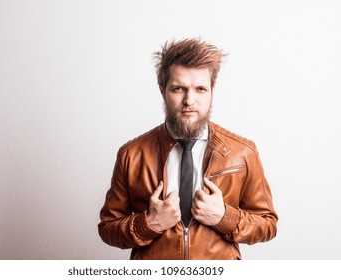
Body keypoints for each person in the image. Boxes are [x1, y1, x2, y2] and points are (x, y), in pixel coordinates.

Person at [98, 38, 278, 260]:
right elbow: (108, 228)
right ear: (162, 90)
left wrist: (224, 217)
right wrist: (149, 224)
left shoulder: (242, 152)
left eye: (200, 89)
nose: (189, 100)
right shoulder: (132, 155)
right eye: (178, 89)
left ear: (212, 91)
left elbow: (268, 224)